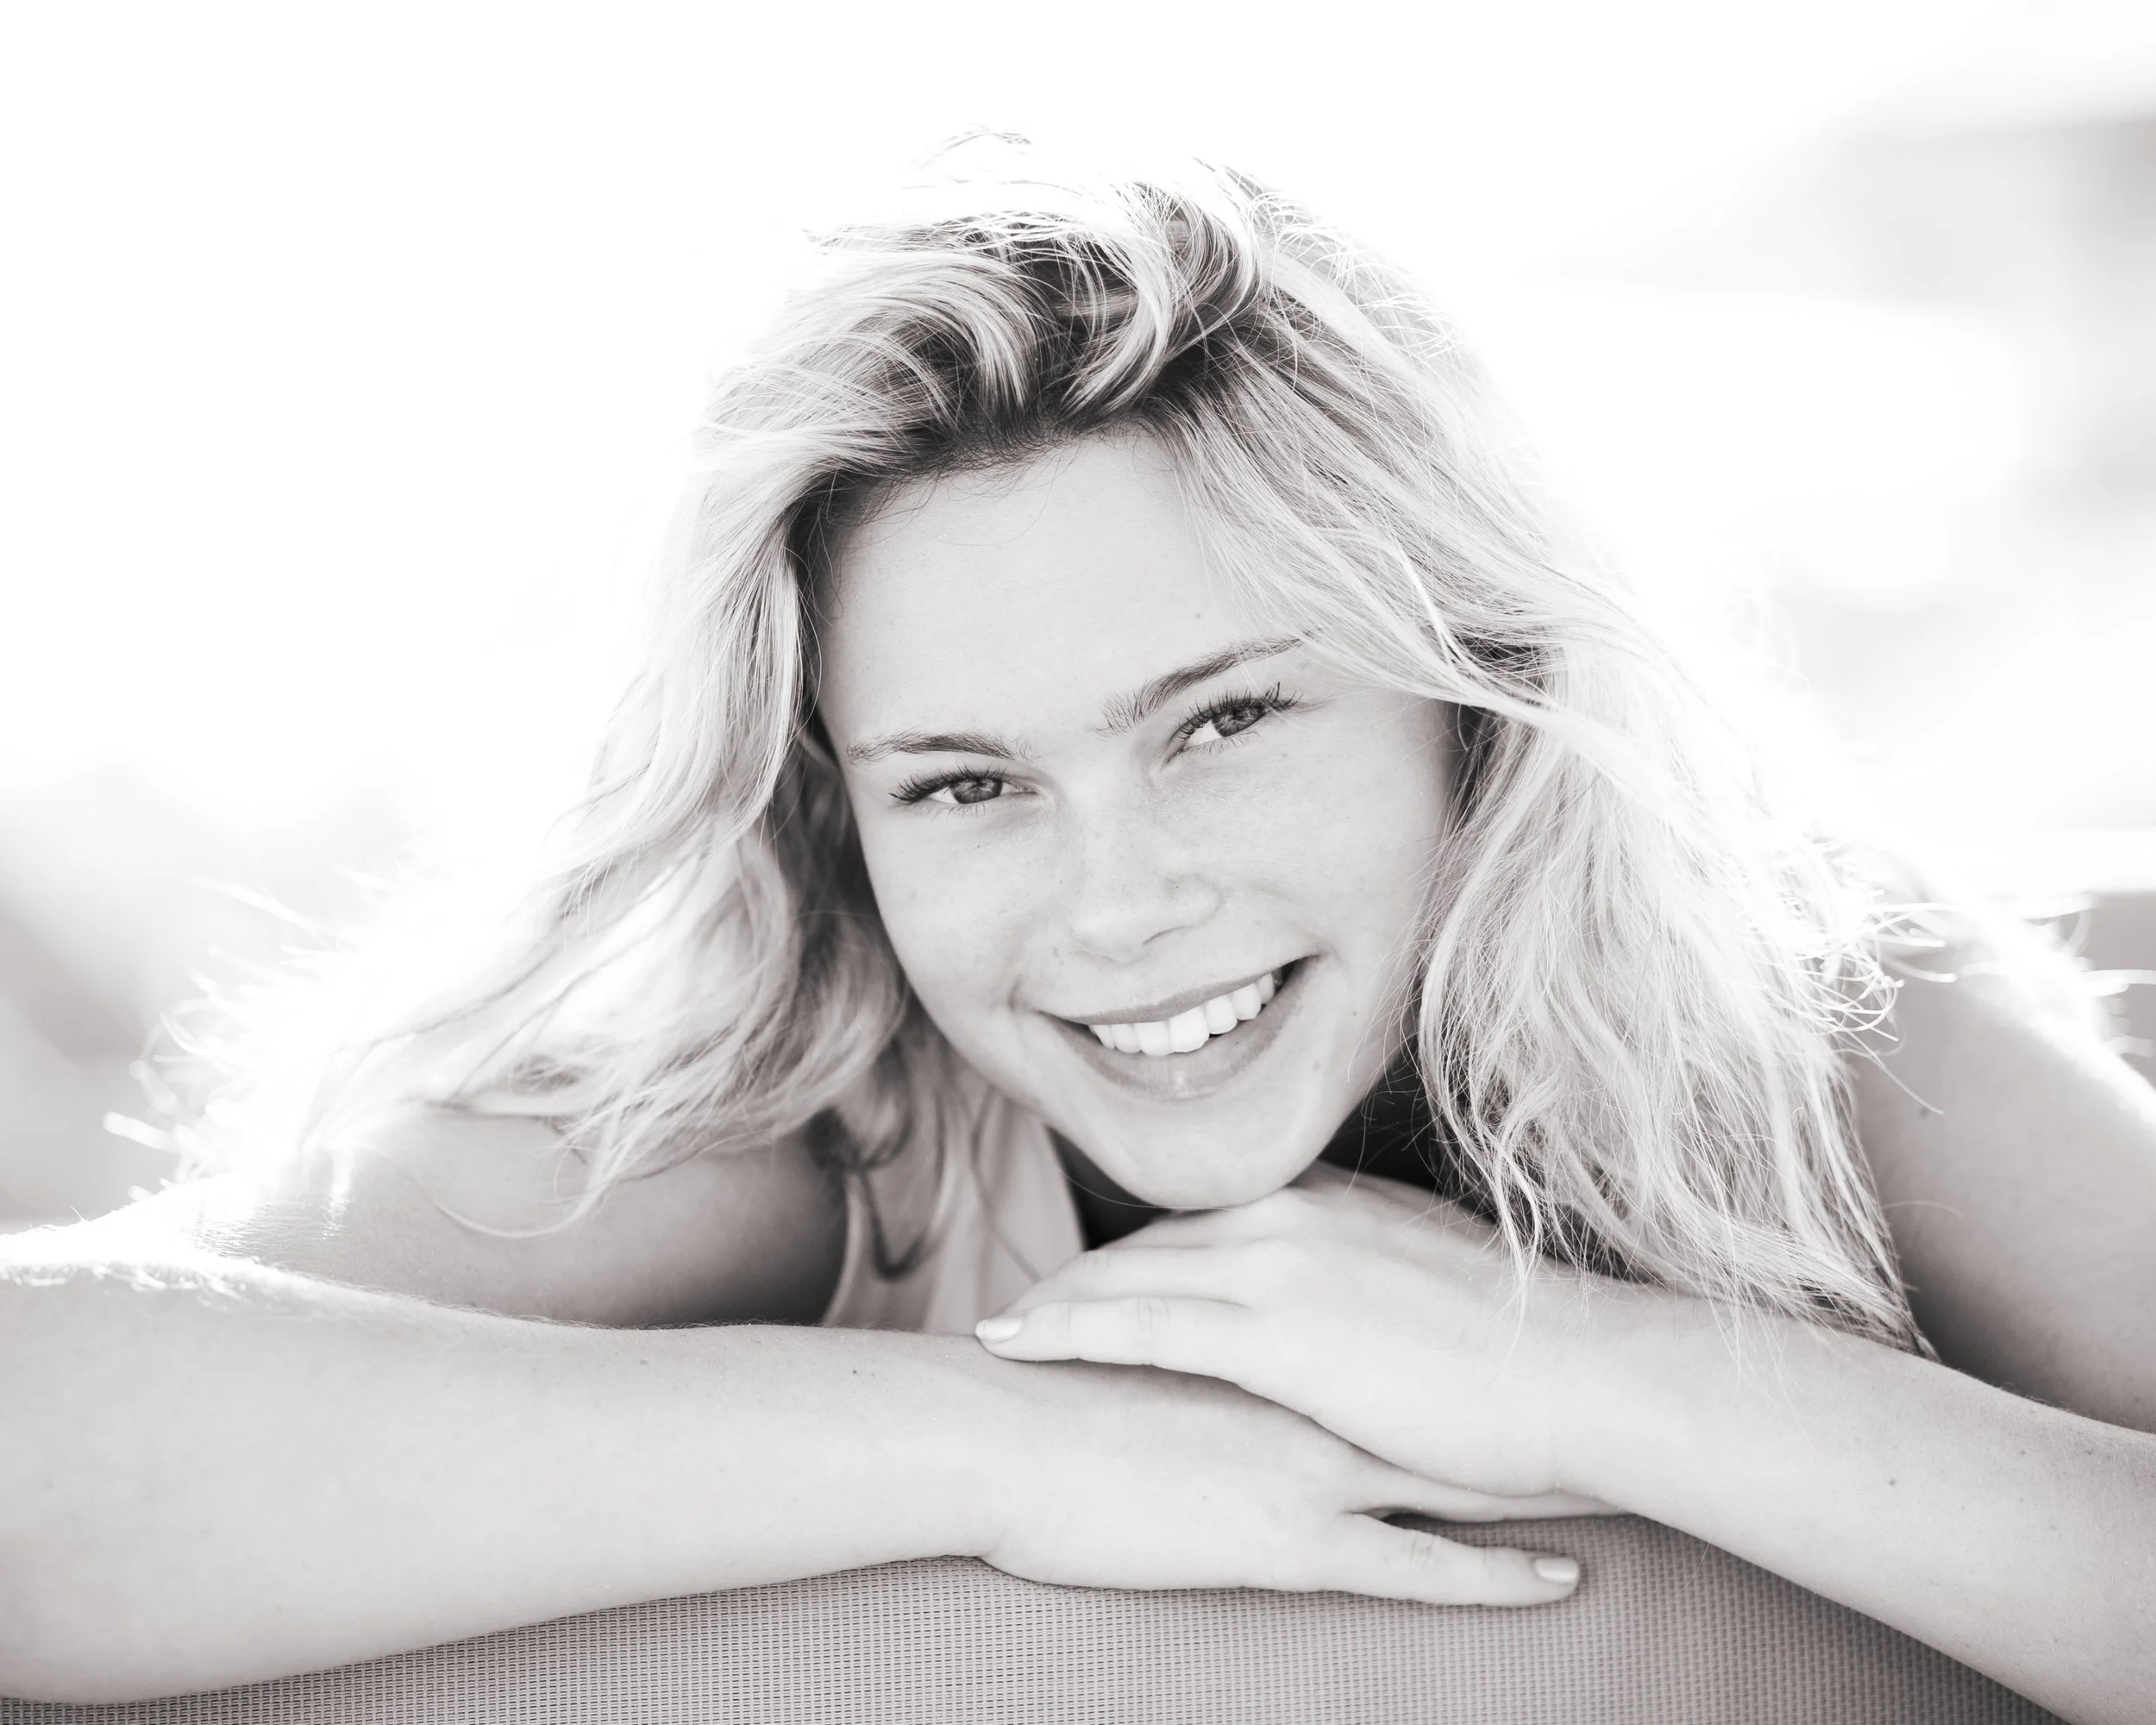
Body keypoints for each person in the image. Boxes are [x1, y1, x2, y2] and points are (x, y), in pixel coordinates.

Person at [3, 147, 2152, 1722]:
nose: (1117, 905)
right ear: (837, 819)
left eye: (1220, 722)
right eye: (966, 782)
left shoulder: (1807, 999)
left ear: (1472, 691)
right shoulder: (818, 1086)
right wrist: (1017, 1447)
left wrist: (1598, 1376)